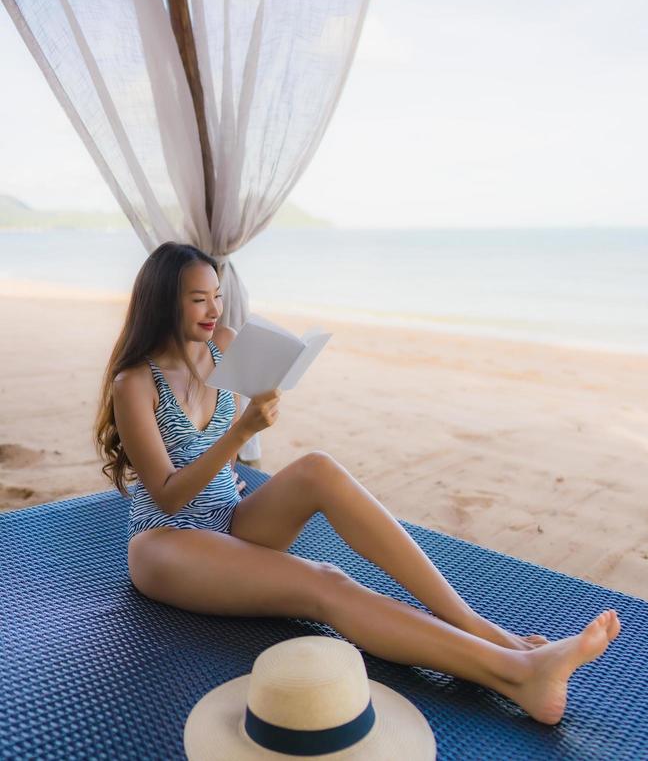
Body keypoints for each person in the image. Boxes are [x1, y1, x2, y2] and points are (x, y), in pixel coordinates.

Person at [95, 241, 621, 726]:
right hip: (168, 542)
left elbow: (248, 422)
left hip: (232, 521)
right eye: (197, 300)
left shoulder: (226, 345)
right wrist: (241, 433)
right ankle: (514, 673)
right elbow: (167, 493)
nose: (214, 311)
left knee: (318, 467)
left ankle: (485, 630)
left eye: (217, 296)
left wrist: (267, 402)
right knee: (326, 583)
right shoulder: (135, 382)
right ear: (164, 302)